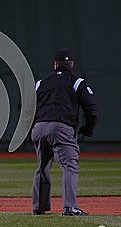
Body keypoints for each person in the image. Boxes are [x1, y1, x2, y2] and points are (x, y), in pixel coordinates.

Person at [31, 49, 97, 216]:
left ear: (55, 65)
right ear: (72, 65)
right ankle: (70, 207)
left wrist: (33, 128)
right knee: (70, 166)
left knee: (43, 167)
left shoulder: (40, 83)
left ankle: (39, 207)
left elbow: (26, 109)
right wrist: (88, 129)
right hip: (60, 127)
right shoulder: (76, 82)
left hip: (39, 127)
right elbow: (91, 109)